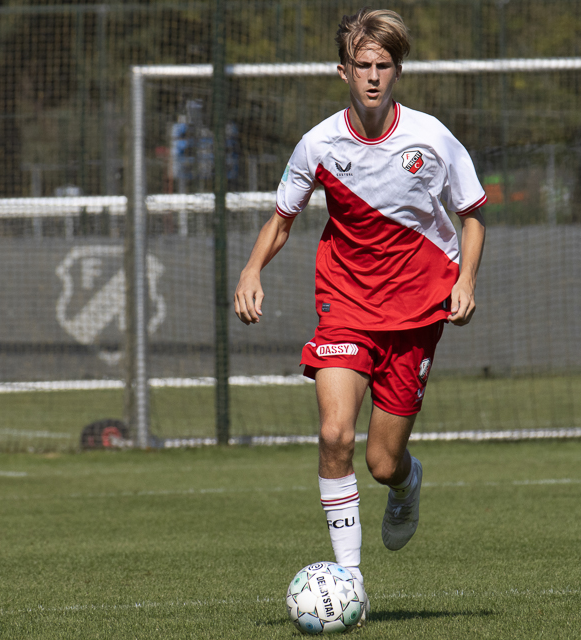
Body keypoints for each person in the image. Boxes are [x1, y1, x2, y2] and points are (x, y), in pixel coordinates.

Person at [233, 7, 486, 624]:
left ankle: (406, 482)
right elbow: (283, 219)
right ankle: (351, 581)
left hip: (417, 312)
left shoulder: (431, 137)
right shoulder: (319, 144)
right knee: (334, 435)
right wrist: (250, 270)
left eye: (384, 65)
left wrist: (465, 280)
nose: (373, 76)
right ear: (342, 70)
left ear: (397, 70)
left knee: (381, 463)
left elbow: (473, 214)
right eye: (362, 65)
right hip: (345, 306)